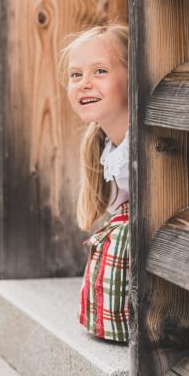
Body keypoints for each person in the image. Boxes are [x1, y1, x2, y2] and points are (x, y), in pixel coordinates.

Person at [61, 24, 130, 344]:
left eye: (100, 71)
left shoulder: (143, 144)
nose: (84, 84)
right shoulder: (106, 145)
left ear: (132, 76)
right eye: (75, 75)